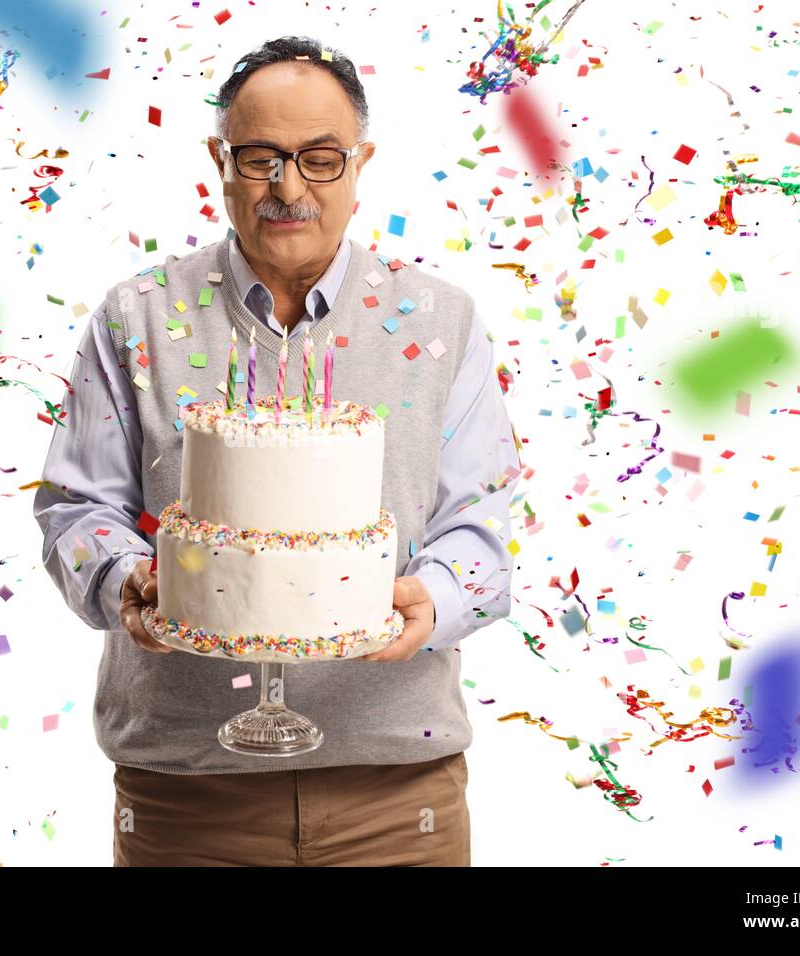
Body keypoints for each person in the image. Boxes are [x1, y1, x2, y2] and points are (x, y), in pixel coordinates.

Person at [34, 35, 521, 866]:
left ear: (361, 164)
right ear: (218, 162)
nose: (288, 187)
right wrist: (129, 584)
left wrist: (428, 602)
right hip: (186, 785)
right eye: (260, 157)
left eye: (320, 158)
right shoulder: (138, 316)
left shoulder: (442, 321)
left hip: (397, 784)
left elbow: (480, 522)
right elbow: (76, 507)